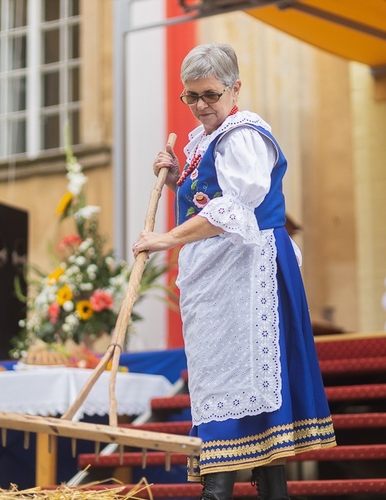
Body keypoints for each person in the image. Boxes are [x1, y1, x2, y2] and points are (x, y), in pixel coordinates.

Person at [132, 43, 336, 500]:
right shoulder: (204, 138)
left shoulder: (244, 134)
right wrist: (171, 178)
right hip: (219, 275)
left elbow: (233, 207)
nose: (201, 106)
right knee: (221, 376)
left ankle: (219, 488)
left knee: (246, 376)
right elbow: (205, 190)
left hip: (250, 273)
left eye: (210, 95)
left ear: (235, 88)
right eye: (191, 97)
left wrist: (166, 239)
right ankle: (257, 486)